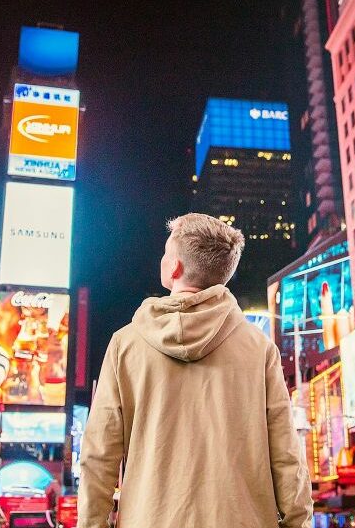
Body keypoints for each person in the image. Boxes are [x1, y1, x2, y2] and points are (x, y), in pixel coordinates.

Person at [79, 213, 313, 528]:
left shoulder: (126, 345)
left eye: (166, 252)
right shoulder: (260, 350)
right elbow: (287, 457)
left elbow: (99, 455)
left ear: (174, 267)